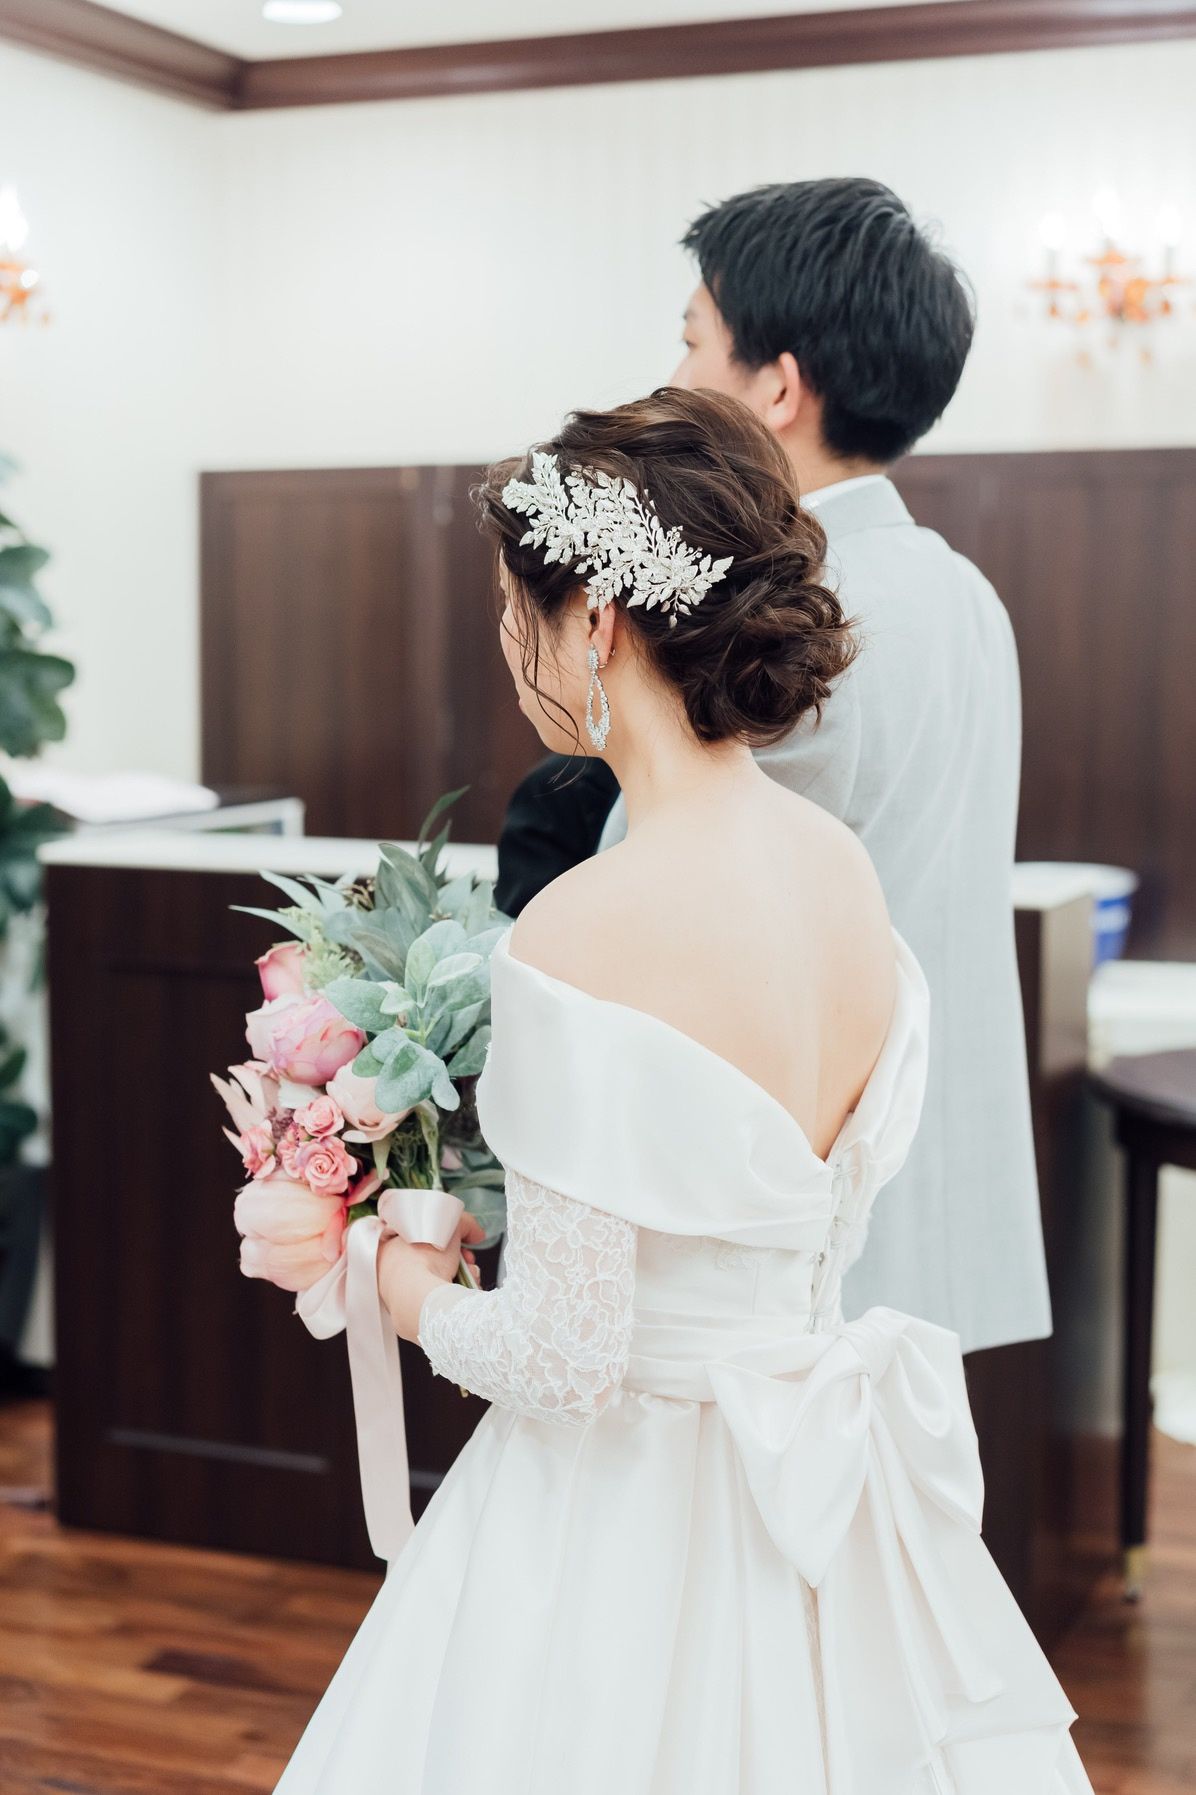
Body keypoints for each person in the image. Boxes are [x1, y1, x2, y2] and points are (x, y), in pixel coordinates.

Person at [274, 389, 1091, 1794]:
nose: (509, 645)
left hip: (627, 1519)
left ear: (594, 621)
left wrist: (395, 1280)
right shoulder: (839, 871)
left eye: (516, 611)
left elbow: (567, 1353)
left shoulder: (585, 925)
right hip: (822, 1509)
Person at [597, 179, 1048, 1354]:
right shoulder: (962, 592)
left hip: (788, 1222)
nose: (674, 376)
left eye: (691, 340)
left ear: (777, 387)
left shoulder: (779, 616)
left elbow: (649, 910)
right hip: (924, 1192)